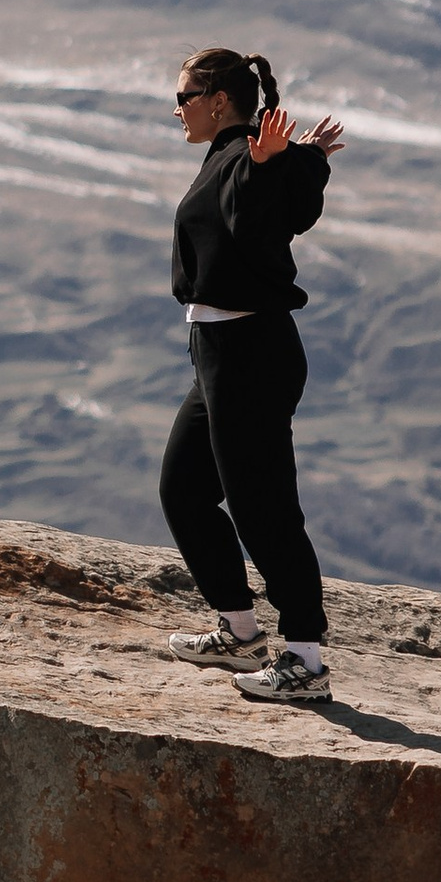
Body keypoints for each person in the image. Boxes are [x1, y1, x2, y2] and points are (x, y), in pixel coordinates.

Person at [159, 46, 346, 708]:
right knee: (183, 489)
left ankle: (305, 657)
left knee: (264, 509)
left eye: (183, 97)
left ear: (216, 101)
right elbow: (283, 204)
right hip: (216, 354)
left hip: (250, 353)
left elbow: (258, 218)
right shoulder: (231, 156)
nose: (175, 109)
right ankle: (239, 630)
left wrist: (273, 164)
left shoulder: (243, 160)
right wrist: (305, 159)